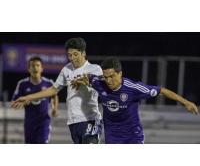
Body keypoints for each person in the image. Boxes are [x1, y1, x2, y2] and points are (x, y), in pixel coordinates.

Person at [70, 57, 199, 144]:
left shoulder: (133, 88)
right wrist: (78, 81)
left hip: (133, 136)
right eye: (105, 77)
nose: (108, 81)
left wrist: (186, 102)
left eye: (112, 76)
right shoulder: (99, 82)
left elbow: (162, 90)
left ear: (120, 73)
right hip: (112, 136)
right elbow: (89, 77)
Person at [11, 38, 103, 144]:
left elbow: (103, 87)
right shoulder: (66, 69)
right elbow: (53, 90)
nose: (72, 58)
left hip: (90, 119)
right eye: (69, 55)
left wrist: (88, 81)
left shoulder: (95, 69)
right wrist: (27, 97)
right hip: (74, 122)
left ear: (83, 53)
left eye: (75, 54)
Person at [12, 56, 59, 144]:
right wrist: (23, 103)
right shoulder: (22, 84)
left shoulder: (48, 83)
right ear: (28, 69)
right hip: (29, 123)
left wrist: (54, 108)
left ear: (42, 68)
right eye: (32, 66)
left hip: (43, 122)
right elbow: (14, 103)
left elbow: (54, 95)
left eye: (37, 65)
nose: (35, 68)